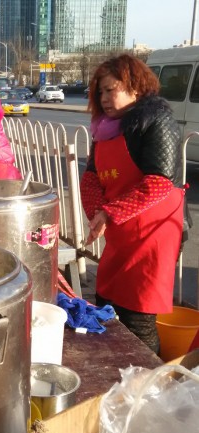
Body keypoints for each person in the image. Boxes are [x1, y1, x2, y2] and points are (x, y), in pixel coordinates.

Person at [80, 54, 185, 354]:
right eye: (100, 91)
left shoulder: (157, 120)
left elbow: (160, 181)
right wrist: (97, 212)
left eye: (111, 90)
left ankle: (147, 381)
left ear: (135, 88)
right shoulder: (103, 129)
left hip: (153, 233)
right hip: (120, 231)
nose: (104, 98)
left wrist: (110, 212)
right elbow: (91, 177)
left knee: (138, 318)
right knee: (107, 306)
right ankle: (114, 371)